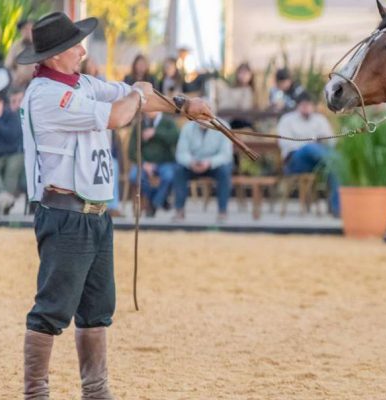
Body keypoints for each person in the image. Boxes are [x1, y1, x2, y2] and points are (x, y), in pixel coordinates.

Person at [16, 12, 213, 399]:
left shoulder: (81, 83)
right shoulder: (46, 95)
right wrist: (139, 95)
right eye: (74, 45)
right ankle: (35, 392)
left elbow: (127, 95)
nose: (81, 49)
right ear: (54, 55)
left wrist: (182, 104)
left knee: (97, 308)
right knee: (52, 309)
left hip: (92, 214)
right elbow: (120, 112)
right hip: (65, 214)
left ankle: (96, 391)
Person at [277, 92, 339, 214]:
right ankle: (337, 159)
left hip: (318, 161)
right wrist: (311, 143)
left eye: (309, 105)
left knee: (334, 168)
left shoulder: (320, 120)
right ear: (298, 106)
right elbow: (285, 143)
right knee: (311, 148)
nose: (306, 108)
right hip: (295, 160)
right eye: (303, 105)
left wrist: (323, 141)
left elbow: (332, 141)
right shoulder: (287, 120)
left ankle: (337, 208)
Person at [173, 120, 234, 222]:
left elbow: (226, 154)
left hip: (214, 165)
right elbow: (181, 153)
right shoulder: (187, 128)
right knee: (179, 170)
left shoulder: (223, 125)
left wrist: (209, 162)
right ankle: (179, 210)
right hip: (193, 164)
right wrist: (191, 162)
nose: (203, 117)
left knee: (225, 171)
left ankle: (222, 211)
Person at [128, 111, 179, 216]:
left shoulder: (168, 122)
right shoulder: (139, 125)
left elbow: (175, 137)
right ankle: (159, 200)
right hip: (145, 164)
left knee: (169, 176)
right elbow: (131, 151)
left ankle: (154, 202)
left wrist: (156, 133)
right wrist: (144, 163)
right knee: (134, 177)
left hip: (165, 162)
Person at [0, 88, 23, 214]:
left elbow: (11, 137)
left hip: (14, 153)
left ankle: (5, 202)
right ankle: (3, 197)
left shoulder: (11, 115)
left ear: (0, 103)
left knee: (13, 167)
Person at [5, 20, 36, 89]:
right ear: (21, 31)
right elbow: (8, 66)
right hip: (20, 84)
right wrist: (15, 77)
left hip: (37, 82)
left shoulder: (40, 44)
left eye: (30, 28)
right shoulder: (16, 46)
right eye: (25, 29)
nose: (28, 31)